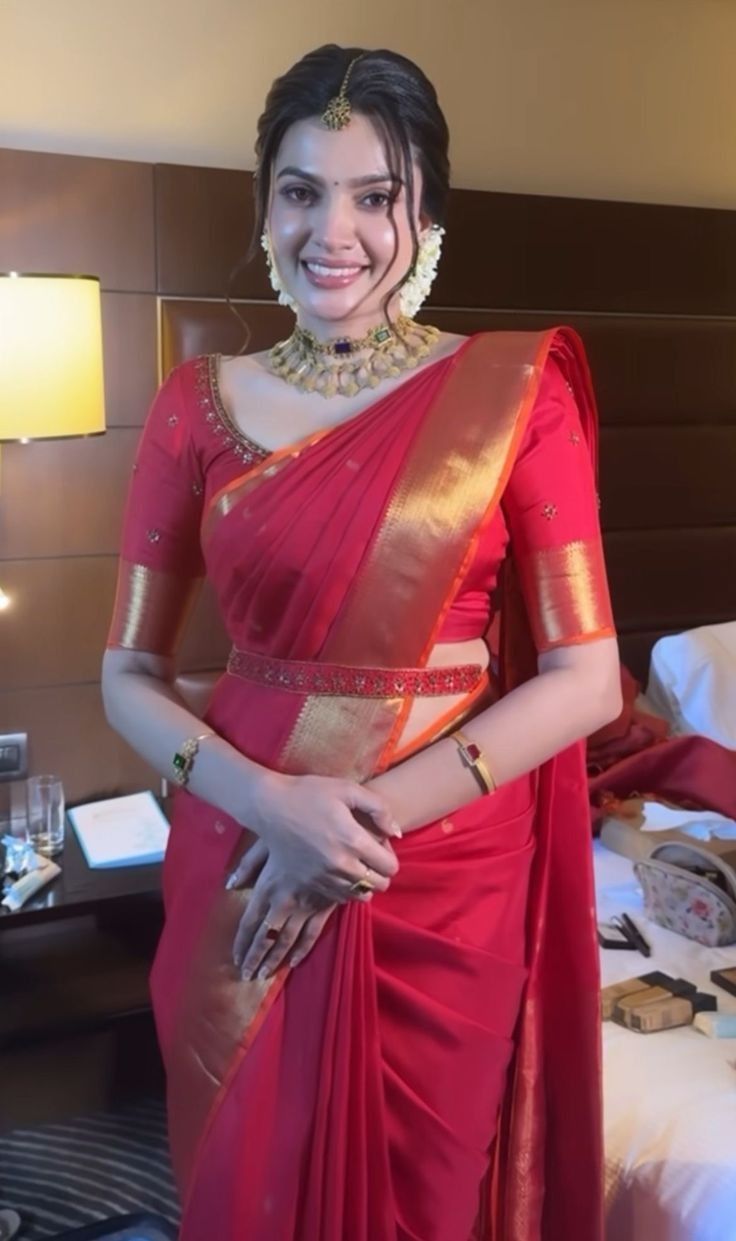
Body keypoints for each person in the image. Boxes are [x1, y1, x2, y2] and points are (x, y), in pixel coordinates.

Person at [101, 43, 621, 1241]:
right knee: (249, 1176)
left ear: (422, 210)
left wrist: (350, 826)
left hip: (439, 872)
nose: (333, 230)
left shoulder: (513, 398)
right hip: (238, 854)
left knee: (427, 1194)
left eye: (373, 194)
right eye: (300, 190)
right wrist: (274, 806)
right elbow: (126, 673)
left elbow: (588, 678)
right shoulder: (197, 404)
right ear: (264, 206)